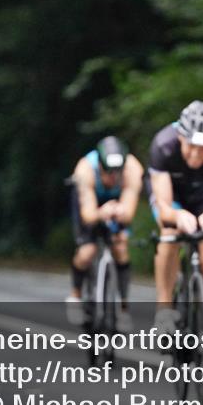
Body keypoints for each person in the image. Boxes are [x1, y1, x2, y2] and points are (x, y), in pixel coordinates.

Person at [148, 101, 203, 334]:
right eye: (190, 146)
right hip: (173, 195)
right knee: (169, 233)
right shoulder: (163, 144)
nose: (196, 154)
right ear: (180, 137)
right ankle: (164, 310)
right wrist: (177, 214)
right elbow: (163, 207)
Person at [66, 135, 143, 332]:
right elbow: (89, 215)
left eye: (117, 173)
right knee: (86, 252)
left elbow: (128, 212)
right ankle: (75, 295)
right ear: (99, 165)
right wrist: (102, 212)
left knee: (121, 247)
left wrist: (120, 212)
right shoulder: (85, 170)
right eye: (108, 173)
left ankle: (123, 307)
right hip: (91, 204)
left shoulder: (133, 169)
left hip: (117, 204)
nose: (112, 178)